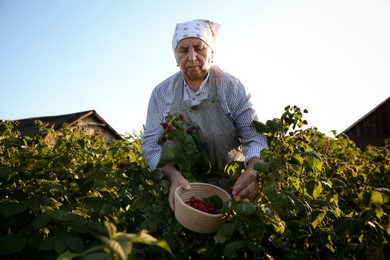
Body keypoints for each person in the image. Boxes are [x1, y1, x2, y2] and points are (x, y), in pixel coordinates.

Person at [141, 19, 268, 211]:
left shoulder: (231, 88)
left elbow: (254, 138)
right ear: (175, 57)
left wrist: (252, 170)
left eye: (199, 48)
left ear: (212, 53)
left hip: (231, 191)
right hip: (182, 192)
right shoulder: (161, 93)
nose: (192, 57)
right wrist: (174, 177)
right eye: (183, 50)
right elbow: (151, 145)